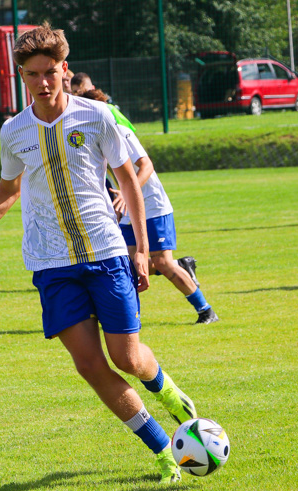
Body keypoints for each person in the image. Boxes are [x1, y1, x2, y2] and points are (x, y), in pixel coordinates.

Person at [0, 24, 196, 484]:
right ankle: (163, 450)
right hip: (50, 263)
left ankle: (166, 389)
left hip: (105, 252)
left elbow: (130, 185)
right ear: (21, 76)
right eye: (32, 74)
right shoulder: (13, 131)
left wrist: (141, 250)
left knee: (127, 357)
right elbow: (8, 188)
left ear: (64, 69)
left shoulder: (96, 117)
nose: (43, 82)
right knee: (89, 365)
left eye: (50, 72)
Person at [82, 89, 220, 325]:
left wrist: (126, 195)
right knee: (125, 264)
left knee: (163, 263)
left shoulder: (120, 131)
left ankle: (206, 311)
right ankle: (126, 318)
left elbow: (146, 166)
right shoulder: (89, 135)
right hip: (128, 207)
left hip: (153, 205)